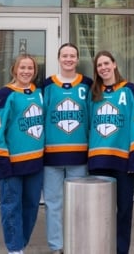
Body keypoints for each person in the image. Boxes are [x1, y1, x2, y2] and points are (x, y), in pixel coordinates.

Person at [87, 50, 134, 254]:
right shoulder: (93, 92)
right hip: (98, 161)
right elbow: (87, 125)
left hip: (123, 161)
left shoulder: (131, 91)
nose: (103, 67)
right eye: (99, 65)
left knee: (123, 211)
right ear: (96, 70)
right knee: (100, 213)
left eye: (106, 63)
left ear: (114, 64)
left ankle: (121, 250)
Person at [0, 54, 45, 254]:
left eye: (30, 68)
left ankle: (20, 244)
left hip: (36, 164)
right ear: (14, 69)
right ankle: (15, 249)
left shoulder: (38, 93)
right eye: (22, 67)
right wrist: (1, 163)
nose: (26, 71)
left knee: (31, 208)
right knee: (11, 208)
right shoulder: (4, 95)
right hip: (12, 164)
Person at [41, 43, 93, 254]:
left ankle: (78, 241)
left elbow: (91, 119)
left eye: (72, 55)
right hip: (51, 157)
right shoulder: (47, 85)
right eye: (65, 55)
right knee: (53, 204)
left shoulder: (87, 85)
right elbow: (40, 117)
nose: (69, 59)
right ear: (59, 58)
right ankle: (57, 246)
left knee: (79, 205)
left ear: (77, 59)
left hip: (79, 157)